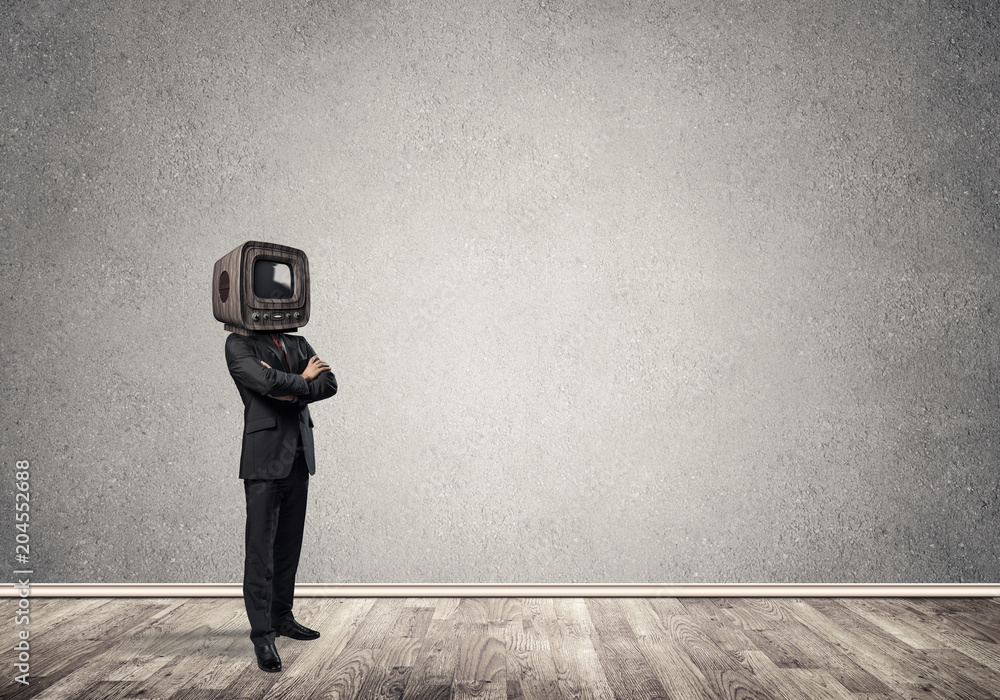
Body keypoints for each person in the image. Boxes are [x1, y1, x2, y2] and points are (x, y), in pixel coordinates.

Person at [224, 330, 337, 673]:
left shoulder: (298, 343)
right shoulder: (239, 344)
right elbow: (260, 380)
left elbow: (329, 384)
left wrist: (286, 389)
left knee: (288, 546)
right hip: (264, 458)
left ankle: (282, 617)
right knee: (261, 551)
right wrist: (303, 379)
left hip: (299, 456)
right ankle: (263, 636)